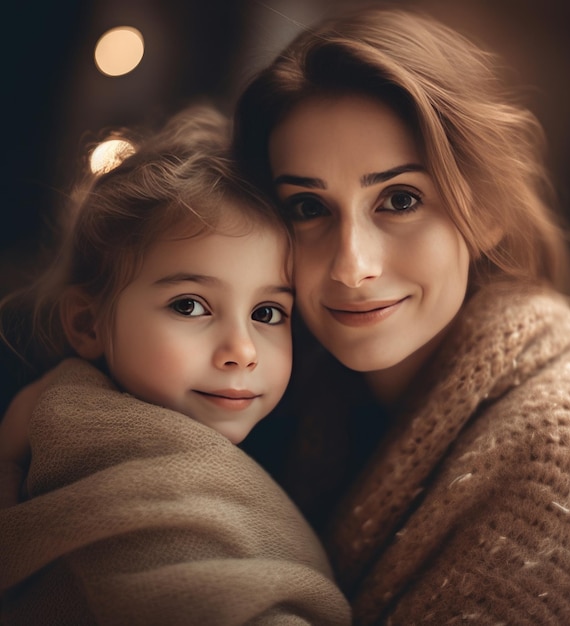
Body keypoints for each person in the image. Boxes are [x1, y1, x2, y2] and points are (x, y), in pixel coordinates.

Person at [232, 4, 570, 624]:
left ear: (487, 211)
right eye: (308, 207)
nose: (351, 266)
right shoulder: (291, 378)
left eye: (400, 199)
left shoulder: (558, 445)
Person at [0, 104, 351, 625]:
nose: (243, 349)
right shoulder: (102, 466)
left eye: (268, 312)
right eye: (190, 305)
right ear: (89, 325)